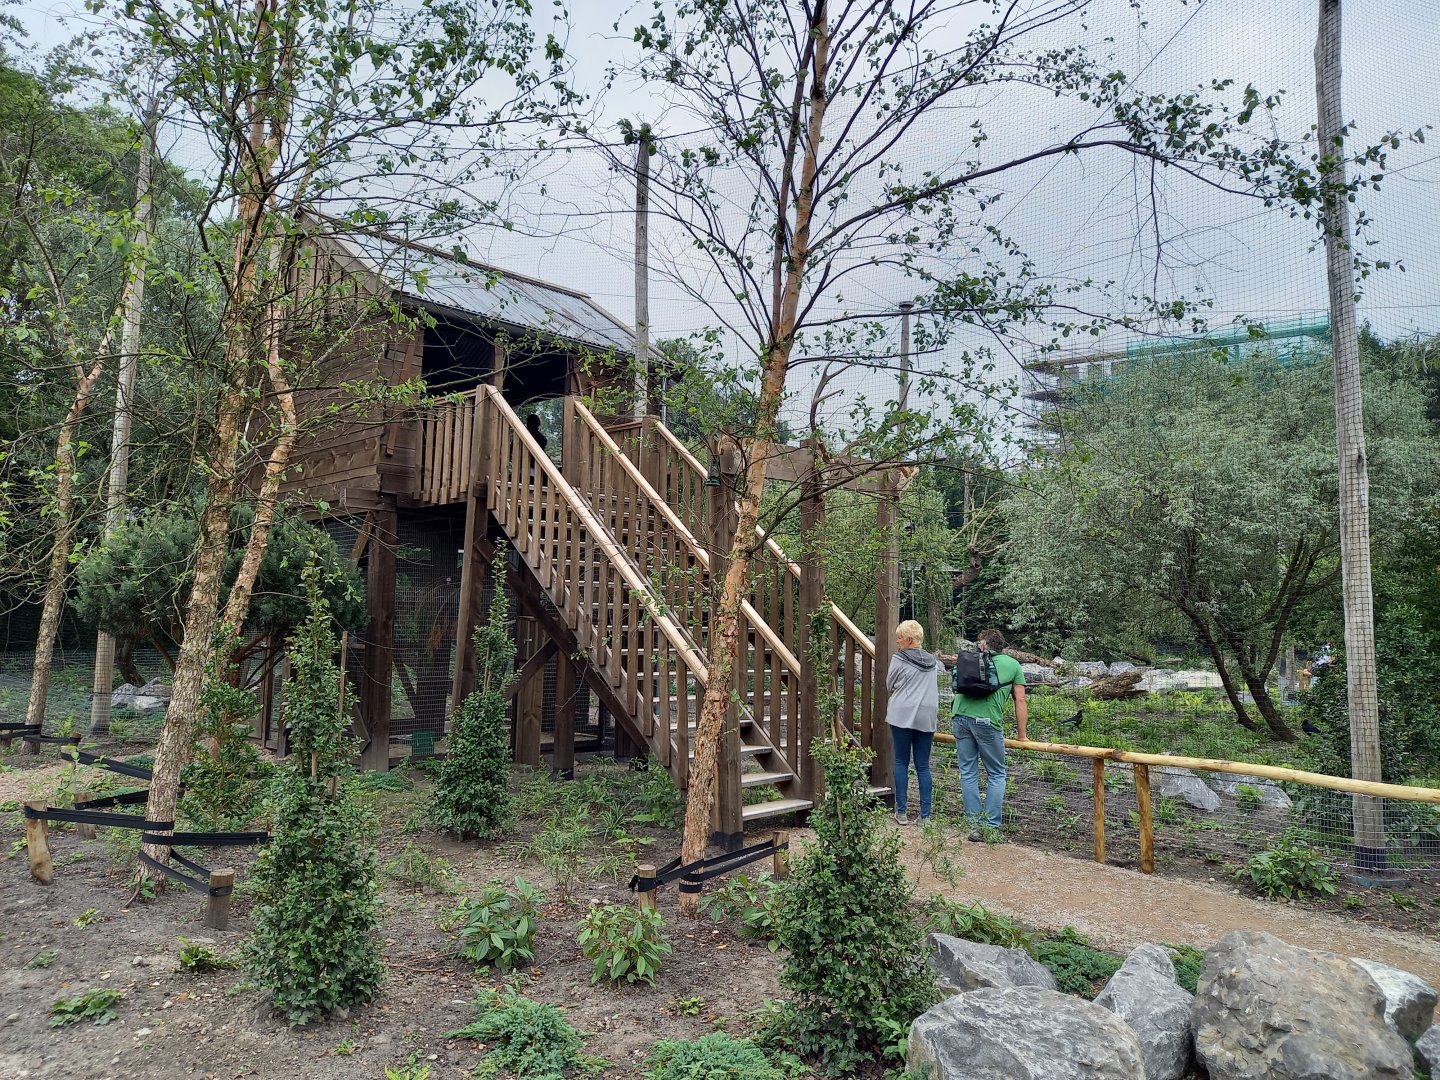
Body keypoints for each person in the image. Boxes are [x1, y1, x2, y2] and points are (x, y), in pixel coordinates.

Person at [952, 627, 1027, 841]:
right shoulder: (1013, 665)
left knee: (968, 772)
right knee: (996, 773)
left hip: (959, 717)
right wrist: (1022, 735)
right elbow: (1020, 700)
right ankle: (991, 827)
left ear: (983, 644)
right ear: (1001, 646)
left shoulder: (969, 659)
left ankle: (974, 826)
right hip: (987, 723)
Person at [886, 619, 940, 824]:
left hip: (902, 714)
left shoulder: (899, 659)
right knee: (923, 766)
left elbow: (889, 684)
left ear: (909, 640)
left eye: (899, 637)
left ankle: (901, 812)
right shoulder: (933, 662)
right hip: (927, 716)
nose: (897, 641)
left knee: (901, 761)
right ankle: (925, 815)